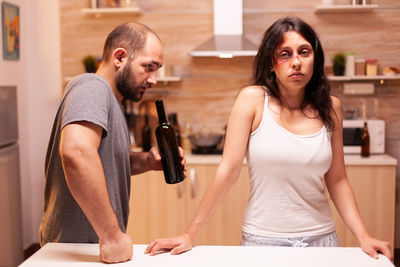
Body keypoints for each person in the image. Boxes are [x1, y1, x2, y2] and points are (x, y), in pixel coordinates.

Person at [145, 16, 392, 261]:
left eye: (304, 52)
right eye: (285, 54)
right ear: (271, 63)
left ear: (315, 59)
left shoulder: (331, 108)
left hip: (321, 241)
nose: (296, 62)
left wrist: (364, 236)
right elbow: (228, 171)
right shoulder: (252, 100)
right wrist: (190, 234)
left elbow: (338, 179)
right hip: (262, 241)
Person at [39, 22, 185, 263]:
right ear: (120, 57)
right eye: (148, 67)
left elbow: (104, 161)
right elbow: (77, 153)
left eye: (157, 70)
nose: (153, 80)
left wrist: (146, 161)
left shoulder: (111, 101)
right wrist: (112, 237)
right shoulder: (91, 87)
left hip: (86, 248)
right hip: (75, 249)